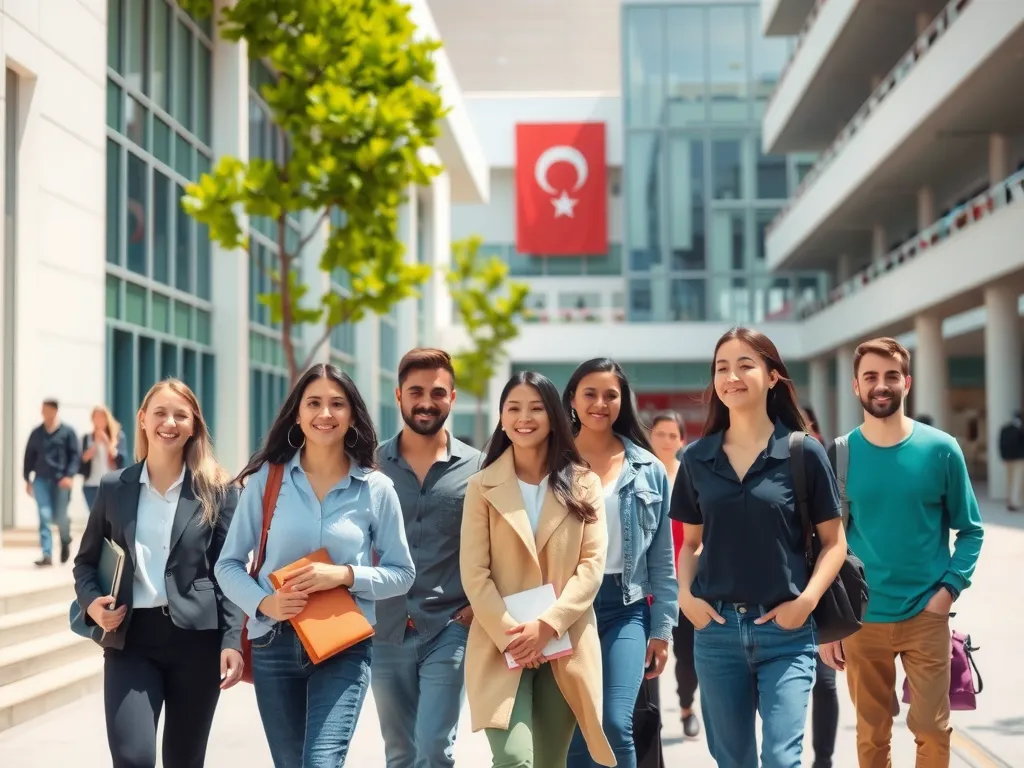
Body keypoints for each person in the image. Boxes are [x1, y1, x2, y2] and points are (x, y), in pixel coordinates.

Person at [215, 363, 415, 768]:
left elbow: (402, 573)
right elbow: (228, 565)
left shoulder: (376, 489)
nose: (325, 413)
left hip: (344, 646)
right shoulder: (267, 481)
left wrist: (344, 575)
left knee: (321, 763)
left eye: (337, 404)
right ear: (297, 414)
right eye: (314, 403)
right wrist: (264, 604)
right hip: (274, 643)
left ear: (353, 415)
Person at [670, 327, 847, 768]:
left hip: (787, 631)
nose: (732, 376)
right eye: (721, 368)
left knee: (781, 759)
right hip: (716, 631)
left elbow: (834, 543)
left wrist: (805, 603)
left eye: (745, 364)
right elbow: (691, 543)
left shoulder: (804, 452)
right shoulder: (696, 458)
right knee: (733, 761)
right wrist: (686, 597)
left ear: (772, 377)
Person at [819, 338, 984, 768]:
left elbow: (970, 530)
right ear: (856, 386)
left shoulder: (942, 449)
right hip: (862, 620)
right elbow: (828, 545)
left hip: (925, 616)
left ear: (906, 382)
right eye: (870, 376)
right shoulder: (840, 454)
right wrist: (830, 624)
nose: (881, 385)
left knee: (932, 727)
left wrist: (946, 592)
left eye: (891, 376)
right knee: (871, 735)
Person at [72, 379, 245, 768]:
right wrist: (92, 605)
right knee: (133, 758)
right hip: (130, 640)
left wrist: (232, 640)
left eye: (181, 415)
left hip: (198, 645)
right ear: (143, 420)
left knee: (185, 761)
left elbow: (229, 573)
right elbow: (85, 562)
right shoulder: (115, 486)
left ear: (194, 426)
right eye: (160, 413)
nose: (170, 422)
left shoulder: (218, 490)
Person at [460, 371, 615, 768]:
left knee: (549, 762)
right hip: (501, 644)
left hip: (564, 643)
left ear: (553, 417)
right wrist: (513, 634)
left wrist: (548, 625)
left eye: (535, 408)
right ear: (501, 417)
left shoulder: (584, 483)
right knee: (513, 760)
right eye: (513, 408)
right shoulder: (481, 486)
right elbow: (475, 573)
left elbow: (591, 566)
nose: (523, 417)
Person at [562, 359, 678, 768]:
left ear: (622, 402)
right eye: (590, 393)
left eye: (611, 395)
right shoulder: (549, 462)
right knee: (577, 723)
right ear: (573, 399)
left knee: (615, 721)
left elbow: (663, 559)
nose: (600, 403)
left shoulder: (648, 468)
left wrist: (662, 629)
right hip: (566, 608)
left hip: (625, 608)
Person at [372, 349, 482, 768]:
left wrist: (476, 606)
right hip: (385, 627)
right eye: (415, 391)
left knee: (435, 749)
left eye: (438, 392)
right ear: (399, 395)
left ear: (452, 398)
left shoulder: (478, 467)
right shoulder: (370, 465)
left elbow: (495, 543)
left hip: (449, 627)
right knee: (400, 752)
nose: (426, 401)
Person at [650, 411, 699, 740]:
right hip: (651, 583)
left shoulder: (690, 476)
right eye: (660, 434)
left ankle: (685, 707)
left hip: (688, 582)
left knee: (687, 656)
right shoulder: (642, 475)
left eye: (673, 435)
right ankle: (649, 720)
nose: (666, 441)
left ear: (682, 440)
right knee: (647, 656)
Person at [799, 404, 838, 768]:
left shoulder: (826, 462)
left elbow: (838, 537)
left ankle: (823, 759)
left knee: (825, 684)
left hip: (822, 590)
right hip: (781, 595)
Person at [24, 398, 81, 566]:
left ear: (55, 411)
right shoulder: (37, 433)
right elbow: (29, 457)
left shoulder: (68, 432)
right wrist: (27, 479)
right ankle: (47, 554)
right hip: (41, 479)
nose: (43, 413)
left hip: (61, 480)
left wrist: (69, 476)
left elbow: (75, 456)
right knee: (44, 514)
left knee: (60, 517)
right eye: (42, 410)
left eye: (46, 410)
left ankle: (65, 539)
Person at [80, 404, 127, 513]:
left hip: (112, 484)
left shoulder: (118, 437)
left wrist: (107, 443)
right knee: (96, 519)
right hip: (91, 485)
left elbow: (120, 460)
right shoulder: (87, 438)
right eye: (96, 417)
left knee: (110, 517)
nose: (99, 420)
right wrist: (95, 444)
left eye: (102, 417)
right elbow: (82, 460)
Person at [998, 411, 1024, 510]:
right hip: (1019, 459)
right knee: (1018, 481)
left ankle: (1010, 500)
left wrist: (1003, 456)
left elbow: (1000, 444)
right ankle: (1015, 502)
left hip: (1008, 458)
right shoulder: (1021, 430)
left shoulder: (1004, 429)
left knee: (1010, 481)